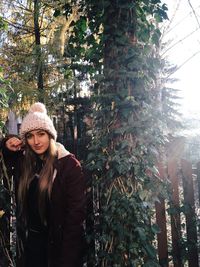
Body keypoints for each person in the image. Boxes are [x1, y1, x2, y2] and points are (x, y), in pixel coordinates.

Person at [2, 102, 86, 267]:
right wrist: (6, 143)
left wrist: (67, 260)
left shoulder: (68, 165)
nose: (36, 141)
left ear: (50, 135)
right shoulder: (24, 162)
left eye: (41, 134)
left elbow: (75, 217)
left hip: (59, 248)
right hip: (31, 248)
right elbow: (4, 156)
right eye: (30, 136)